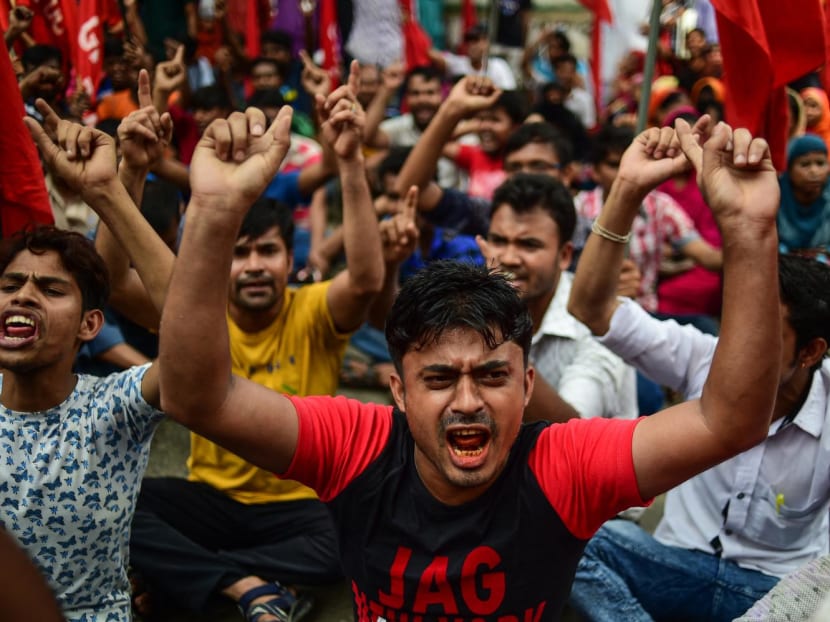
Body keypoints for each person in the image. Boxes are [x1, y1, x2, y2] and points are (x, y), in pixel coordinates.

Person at [155, 78, 783, 618]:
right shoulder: (357, 447)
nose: (467, 402)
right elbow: (195, 398)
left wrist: (750, 231)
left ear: (528, 385)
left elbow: (729, 421)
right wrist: (212, 212)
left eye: (491, 375)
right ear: (397, 390)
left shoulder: (561, 468)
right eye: (437, 379)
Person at [99, 64, 385, 620]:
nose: (254, 266)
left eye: (268, 251)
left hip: (299, 503)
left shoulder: (314, 309)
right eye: (240, 253)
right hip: (211, 499)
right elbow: (109, 281)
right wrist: (129, 171)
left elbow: (368, 280)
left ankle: (198, 576)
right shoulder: (197, 315)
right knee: (113, 499)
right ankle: (253, 583)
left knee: (352, 538)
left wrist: (350, 161)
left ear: (290, 258)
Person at [567, 118, 830, 621]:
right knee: (570, 534)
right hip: (671, 565)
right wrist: (628, 188)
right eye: (739, 323)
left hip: (772, 592)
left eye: (766, 334)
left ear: (810, 352)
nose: (744, 344)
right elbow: (591, 308)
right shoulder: (703, 354)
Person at [13, 102, 166, 620]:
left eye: (51, 289)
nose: (23, 295)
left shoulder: (114, 407)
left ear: (90, 325)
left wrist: (113, 188)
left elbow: (194, 341)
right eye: (10, 284)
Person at [476, 173, 637, 422]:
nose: (508, 258)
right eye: (498, 241)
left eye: (529, 245)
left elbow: (572, 431)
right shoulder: (477, 308)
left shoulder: (597, 324)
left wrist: (502, 330)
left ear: (564, 256)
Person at [777, 133, 830, 255]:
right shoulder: (776, 196)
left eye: (820, 163)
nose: (814, 171)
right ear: (789, 169)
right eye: (805, 164)